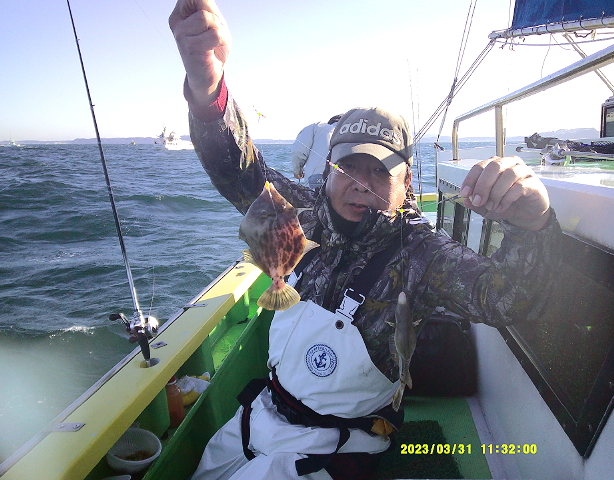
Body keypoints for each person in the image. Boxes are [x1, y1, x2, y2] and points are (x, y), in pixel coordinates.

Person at [169, 1, 562, 479]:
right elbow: (238, 172)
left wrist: (531, 224)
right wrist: (207, 83)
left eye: (380, 171)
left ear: (406, 182)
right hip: (258, 416)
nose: (360, 184)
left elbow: (508, 299)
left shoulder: (422, 253)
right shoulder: (305, 212)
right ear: (329, 170)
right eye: (348, 167)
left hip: (338, 446)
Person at [292, 115, 342, 189]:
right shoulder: (353, 133)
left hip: (316, 180)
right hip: (344, 183)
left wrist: (297, 171)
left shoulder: (317, 127)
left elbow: (298, 150)